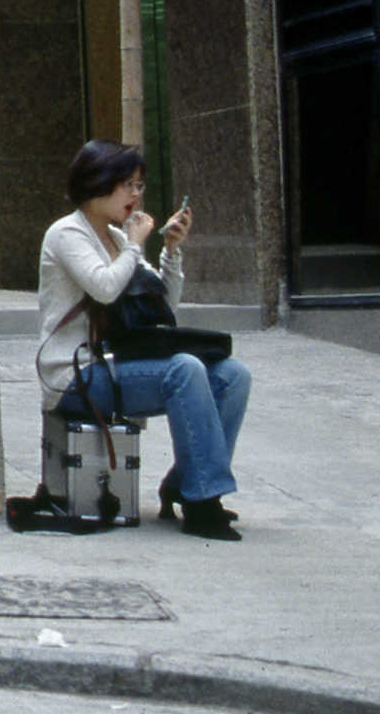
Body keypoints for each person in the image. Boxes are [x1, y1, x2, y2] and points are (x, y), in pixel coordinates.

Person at [37, 139, 251, 540]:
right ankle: (202, 500)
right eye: (128, 185)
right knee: (184, 369)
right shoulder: (67, 234)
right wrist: (135, 246)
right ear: (97, 182)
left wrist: (171, 252)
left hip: (115, 367)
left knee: (233, 375)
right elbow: (104, 288)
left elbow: (160, 308)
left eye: (140, 186)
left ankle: (185, 482)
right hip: (74, 376)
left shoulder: (117, 239)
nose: (136, 195)